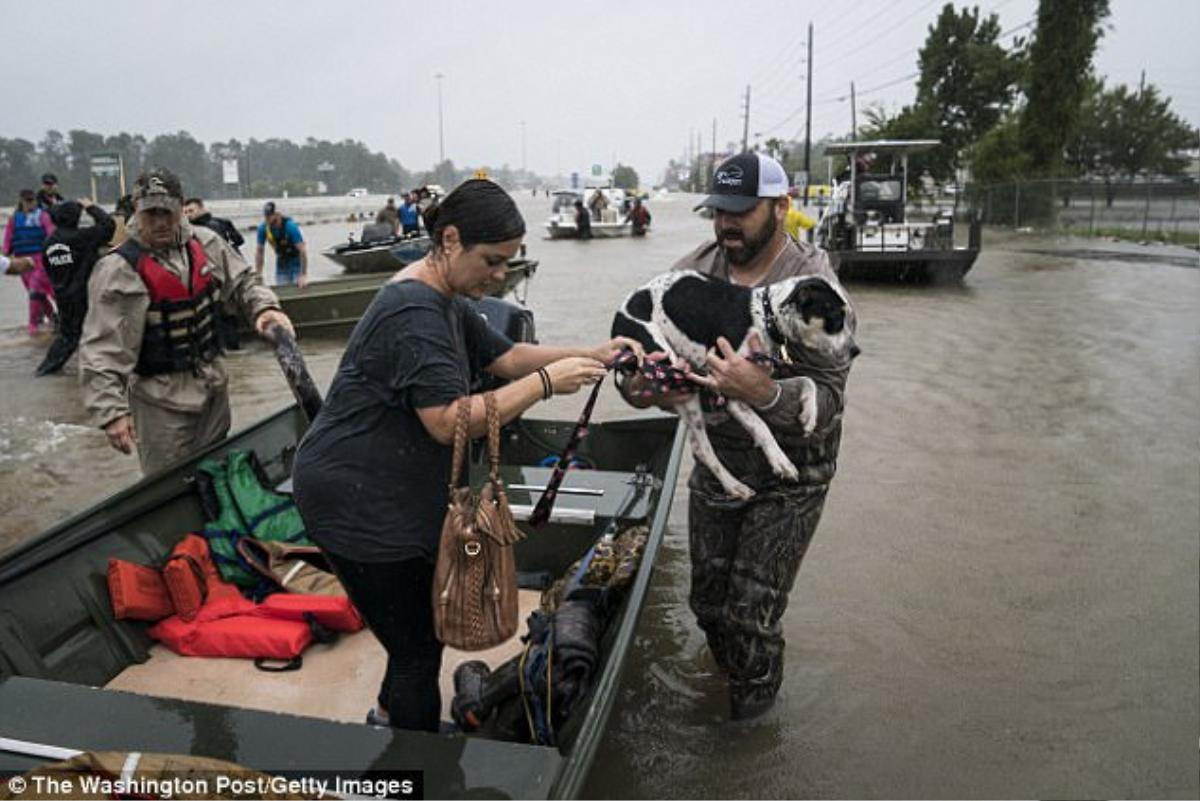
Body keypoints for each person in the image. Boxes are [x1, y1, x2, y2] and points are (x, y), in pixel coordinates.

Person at [290, 179, 634, 733]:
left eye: (509, 262)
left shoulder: (445, 297)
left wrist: (591, 353)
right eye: (492, 261)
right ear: (449, 240)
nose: (500, 275)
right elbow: (449, 422)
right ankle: (413, 771)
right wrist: (547, 384)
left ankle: (385, 718)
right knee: (418, 653)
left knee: (417, 627)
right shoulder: (413, 312)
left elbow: (507, 356)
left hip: (392, 484)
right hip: (353, 499)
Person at [617, 152, 856, 721]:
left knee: (751, 617)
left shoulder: (816, 290)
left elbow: (828, 408)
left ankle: (748, 736)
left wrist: (762, 390)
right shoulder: (695, 269)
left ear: (781, 206)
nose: (727, 224)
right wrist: (640, 385)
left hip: (795, 469)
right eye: (719, 210)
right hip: (720, 459)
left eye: (742, 211)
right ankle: (738, 687)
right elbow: (639, 370)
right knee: (707, 606)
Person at [79, 168, 294, 475]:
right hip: (160, 405)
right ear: (137, 212)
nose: (160, 221)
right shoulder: (117, 269)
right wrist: (111, 412)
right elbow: (100, 348)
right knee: (171, 487)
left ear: (181, 208)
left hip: (213, 392)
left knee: (219, 477)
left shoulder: (206, 243)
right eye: (150, 213)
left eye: (167, 211)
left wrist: (265, 309)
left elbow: (245, 281)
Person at [37, 199, 116, 376]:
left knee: (68, 336)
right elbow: (108, 225)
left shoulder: (49, 242)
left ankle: (45, 372)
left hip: (62, 296)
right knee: (92, 335)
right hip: (85, 295)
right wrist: (91, 207)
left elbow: (48, 268)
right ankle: (98, 371)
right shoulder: (83, 237)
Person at [4, 189, 56, 334]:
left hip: (40, 259)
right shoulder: (14, 219)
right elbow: (8, 241)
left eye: (32, 200)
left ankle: (32, 326)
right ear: (21, 201)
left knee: (36, 290)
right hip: (22, 262)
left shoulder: (43, 216)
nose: (30, 203)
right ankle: (53, 319)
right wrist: (7, 257)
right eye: (27, 201)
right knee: (39, 295)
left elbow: (51, 234)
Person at [255, 202, 308, 287]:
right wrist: (258, 275)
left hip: (296, 262)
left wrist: (303, 275)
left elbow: (302, 251)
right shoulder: (263, 228)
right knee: (282, 289)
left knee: (299, 287)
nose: (267, 218)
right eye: (266, 216)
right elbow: (259, 252)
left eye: (270, 215)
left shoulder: (290, 227)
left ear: (277, 215)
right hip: (282, 263)